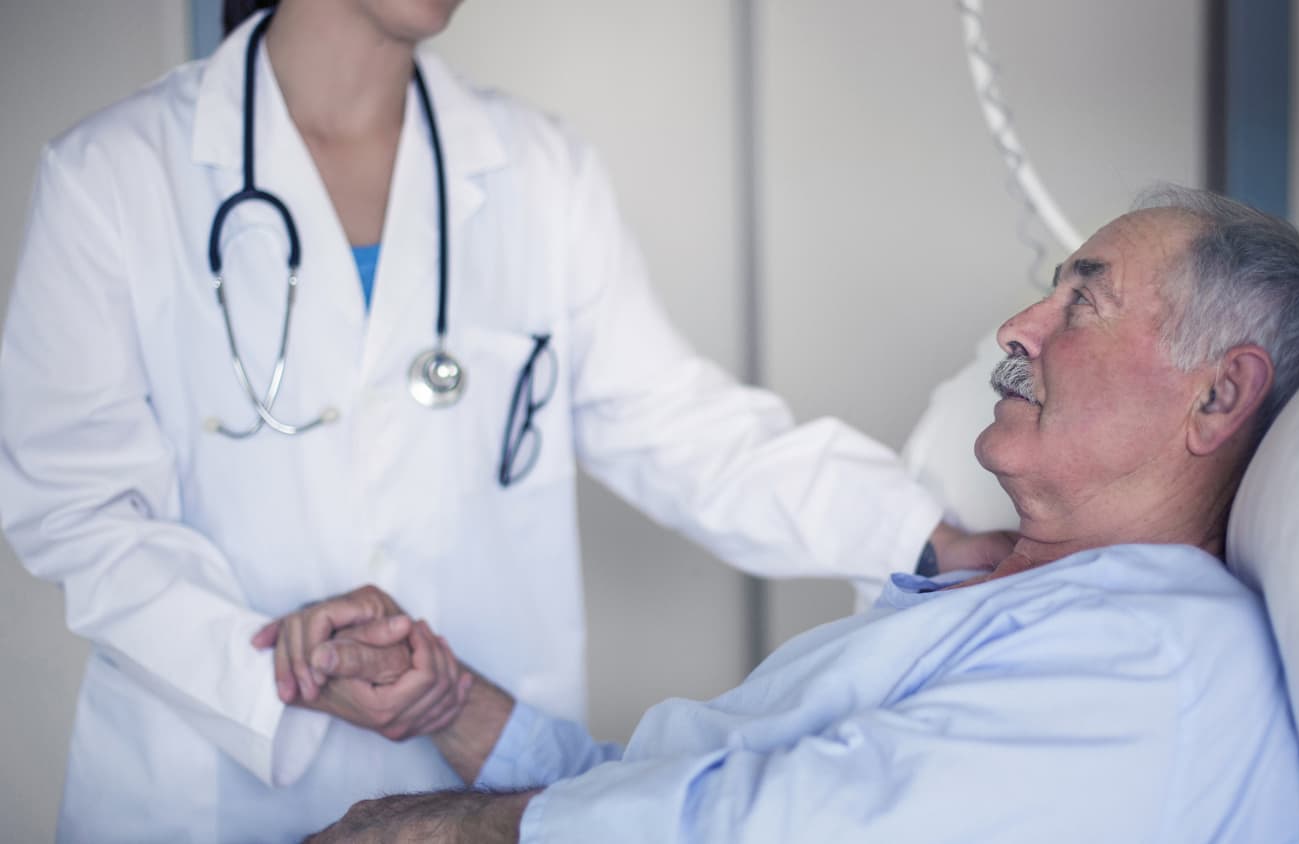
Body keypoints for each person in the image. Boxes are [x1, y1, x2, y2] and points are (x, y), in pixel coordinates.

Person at [0, 1, 1002, 839]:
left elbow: (676, 426)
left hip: (470, 796)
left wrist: (920, 534)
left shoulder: (535, 168)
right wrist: (271, 665)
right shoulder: (115, 178)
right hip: (205, 791)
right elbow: (78, 509)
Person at [304, 186, 1299, 842]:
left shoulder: (1165, 658)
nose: (1018, 327)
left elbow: (775, 827)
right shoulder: (1014, 606)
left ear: (1217, 396)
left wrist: (458, 831)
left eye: (1081, 299)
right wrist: (455, 713)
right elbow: (671, 795)